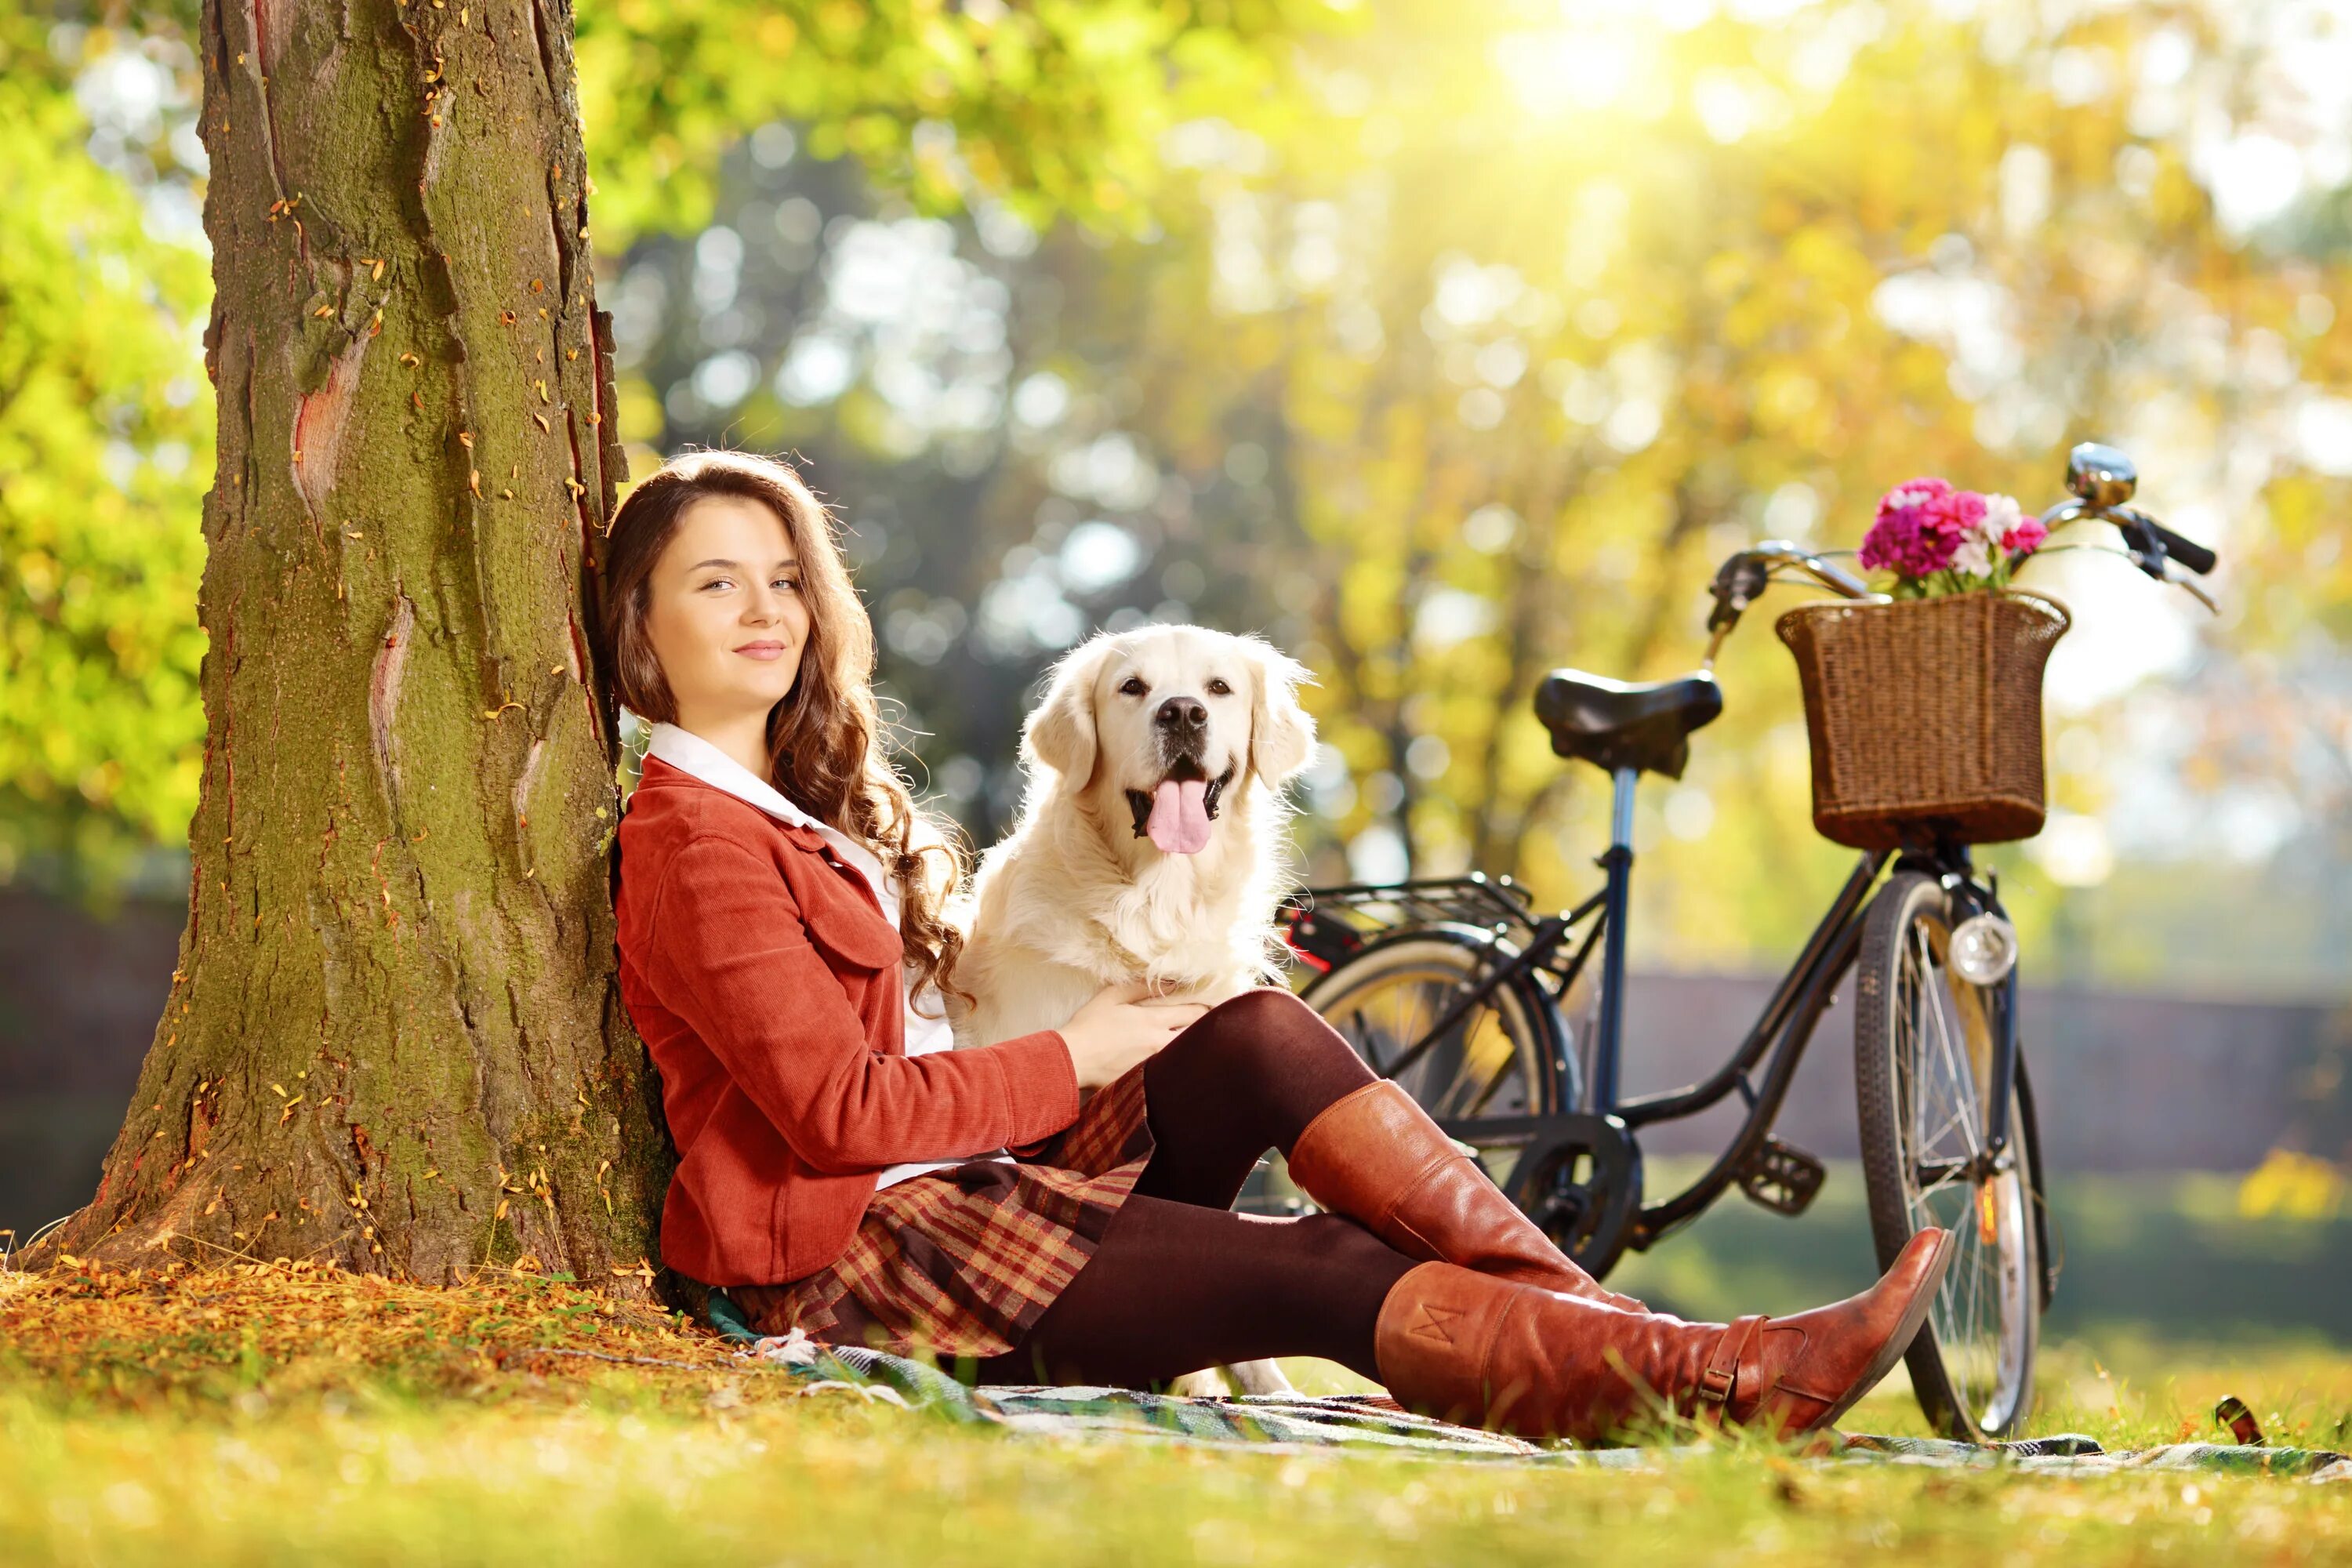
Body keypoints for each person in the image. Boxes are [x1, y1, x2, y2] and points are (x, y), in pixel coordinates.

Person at [600, 448, 1951, 1443]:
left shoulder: (792, 811)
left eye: (785, 578)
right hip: (867, 1274)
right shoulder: (694, 838)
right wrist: (1081, 1053)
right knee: (1328, 1268)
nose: (764, 607)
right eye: (714, 584)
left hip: (967, 1194)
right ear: (642, 628)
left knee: (1249, 1030)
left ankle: (1663, 1359)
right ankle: (1705, 1381)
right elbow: (838, 1113)